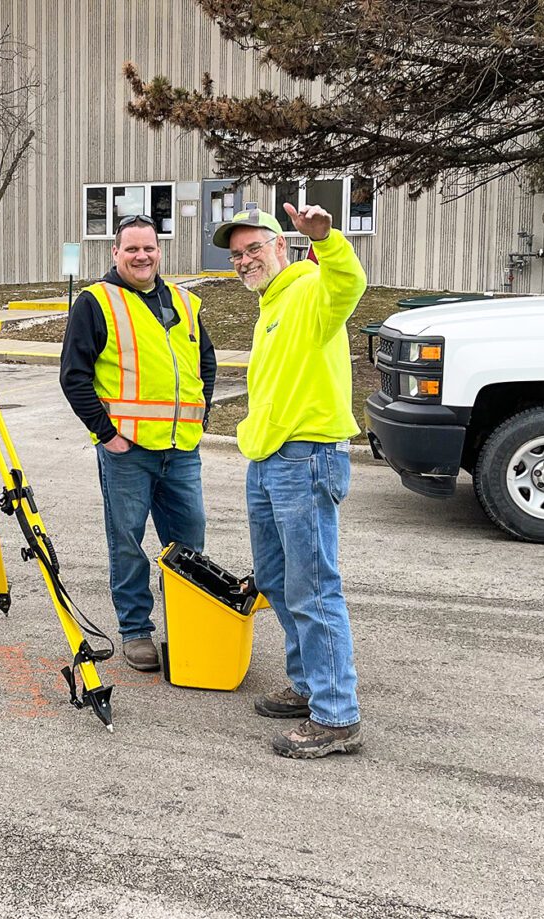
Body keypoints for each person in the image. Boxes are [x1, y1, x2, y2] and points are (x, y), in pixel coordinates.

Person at [212, 202, 367, 758]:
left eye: (255, 247)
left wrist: (326, 240)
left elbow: (347, 285)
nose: (245, 259)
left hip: (305, 457)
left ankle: (336, 715)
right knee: (277, 582)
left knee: (312, 585)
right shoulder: (272, 305)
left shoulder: (309, 289)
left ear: (282, 245)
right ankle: (307, 685)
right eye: (237, 254)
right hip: (270, 458)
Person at [60, 215, 217, 671]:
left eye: (148, 248)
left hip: (181, 449)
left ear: (159, 251)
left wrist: (198, 415)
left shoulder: (186, 303)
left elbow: (205, 365)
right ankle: (137, 630)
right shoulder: (96, 302)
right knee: (127, 541)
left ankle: (188, 624)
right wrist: (107, 434)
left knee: (189, 543)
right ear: (115, 253)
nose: (141, 256)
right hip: (128, 453)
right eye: (131, 249)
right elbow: (74, 377)